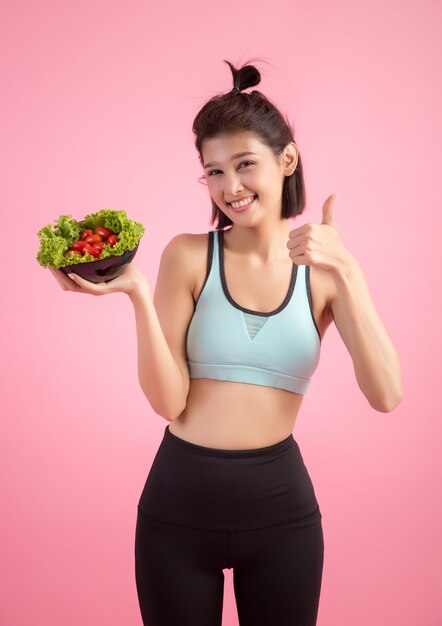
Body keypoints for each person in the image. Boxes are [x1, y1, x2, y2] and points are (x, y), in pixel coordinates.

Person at [50, 58, 403, 626]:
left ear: (286, 160)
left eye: (244, 165)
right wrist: (138, 293)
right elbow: (169, 403)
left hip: (281, 516)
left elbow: (387, 394)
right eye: (214, 172)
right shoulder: (188, 255)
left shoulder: (326, 272)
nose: (230, 187)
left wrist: (350, 270)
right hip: (176, 511)